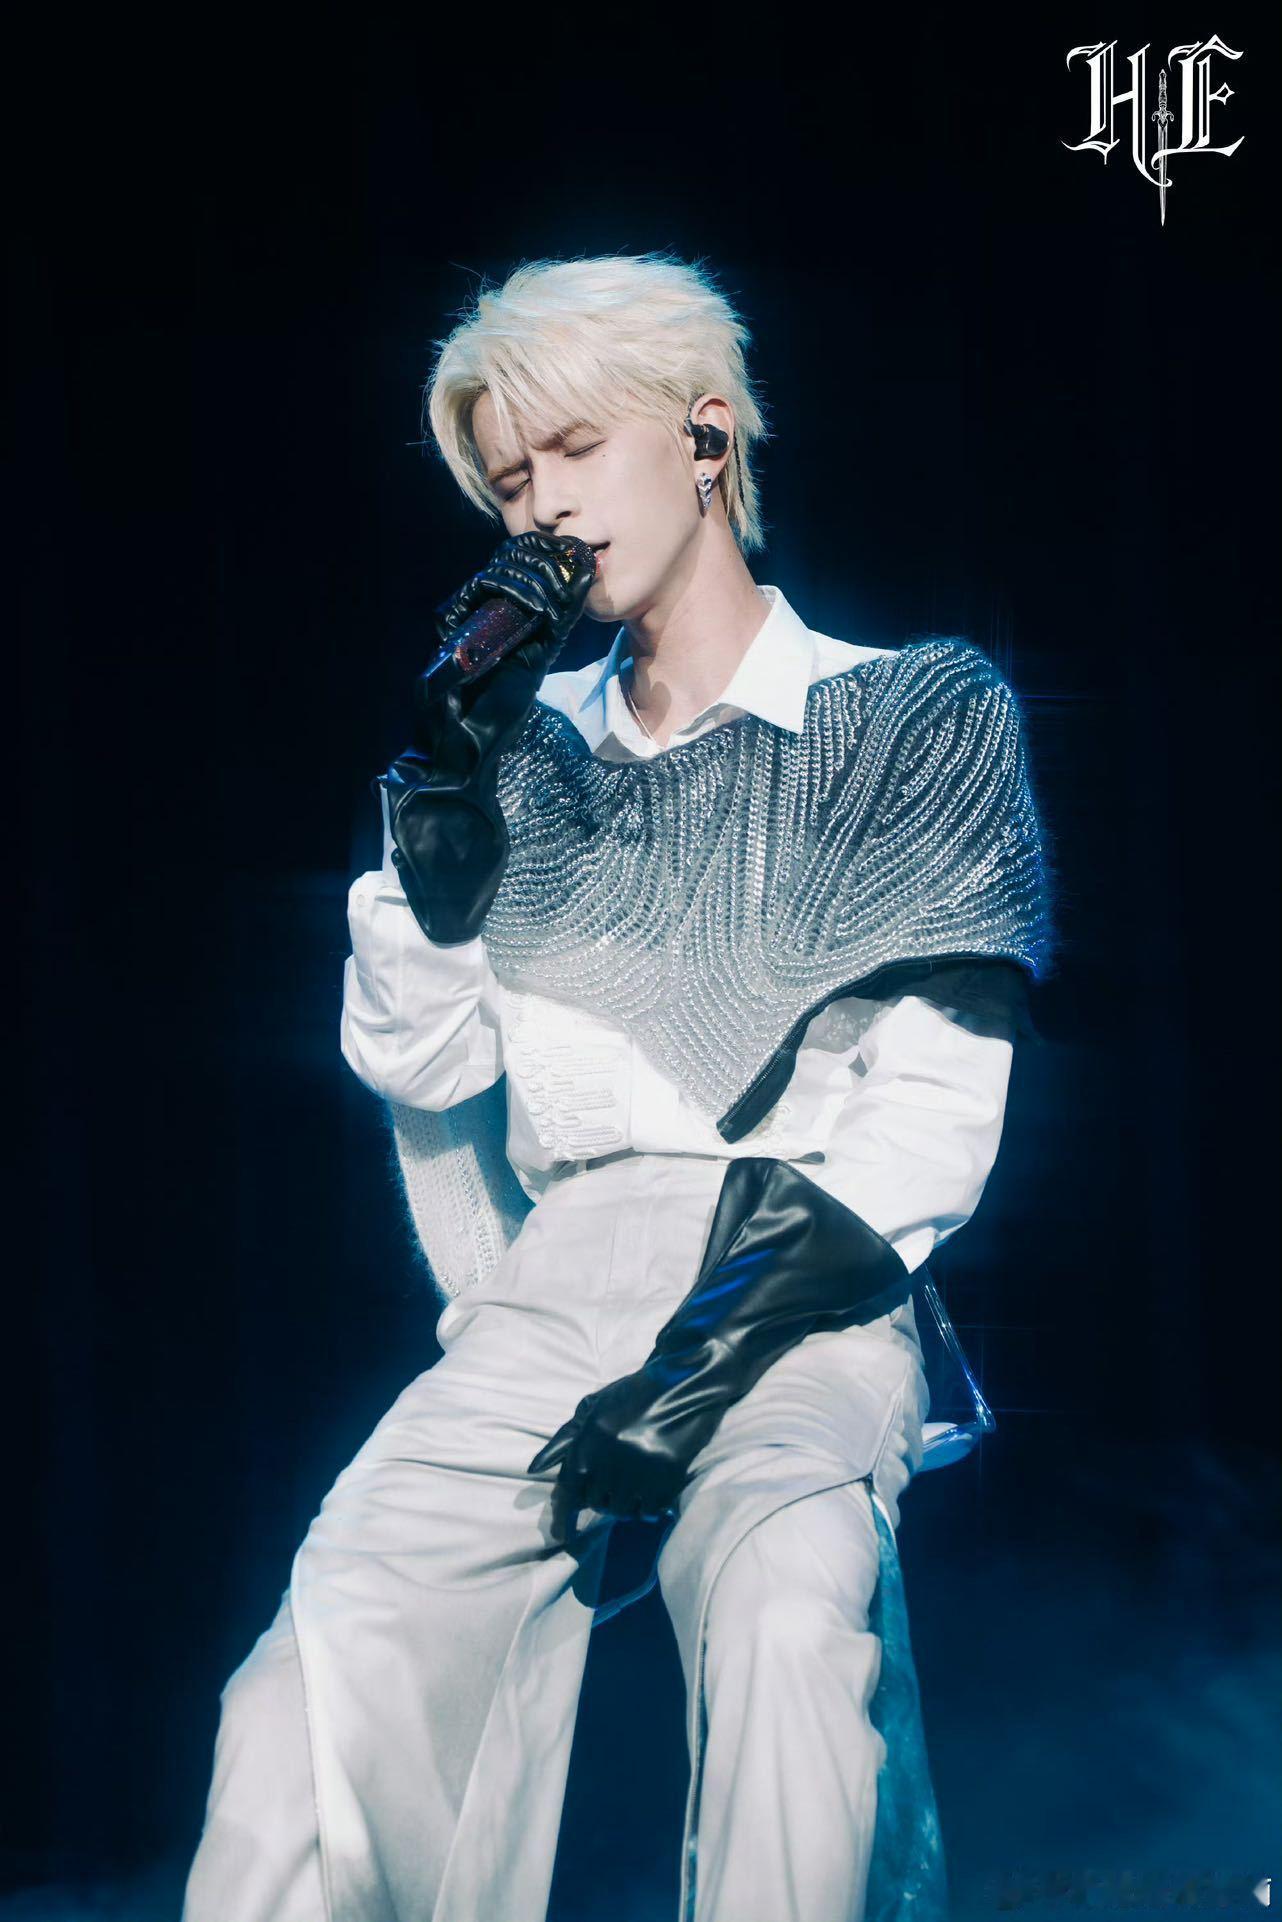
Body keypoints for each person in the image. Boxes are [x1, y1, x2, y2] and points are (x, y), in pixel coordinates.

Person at [181, 250, 1054, 1922]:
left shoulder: (911, 712)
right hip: (554, 1284)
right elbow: (422, 1059)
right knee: (317, 1668)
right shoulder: (514, 751)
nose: (543, 506)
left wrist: (694, 1363)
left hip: (799, 1282)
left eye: (575, 448)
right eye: (510, 479)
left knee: (787, 1620)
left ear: (705, 437)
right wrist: (441, 816)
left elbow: (930, 1121)